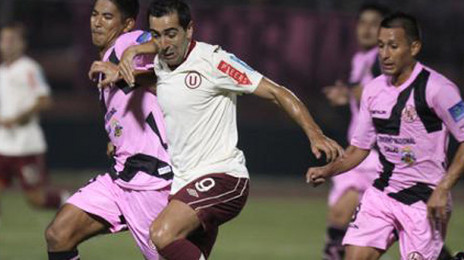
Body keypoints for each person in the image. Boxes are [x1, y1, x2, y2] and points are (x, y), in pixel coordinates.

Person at [114, 1, 343, 259]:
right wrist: (124, 66)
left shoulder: (214, 61)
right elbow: (165, 82)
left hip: (223, 178)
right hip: (184, 185)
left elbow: (277, 92)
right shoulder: (162, 64)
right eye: (156, 35)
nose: (164, 43)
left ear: (189, 30)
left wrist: (314, 133)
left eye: (171, 34)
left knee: (160, 233)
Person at [307, 12, 464, 260]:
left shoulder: (439, 89)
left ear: (414, 47)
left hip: (425, 198)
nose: (385, 54)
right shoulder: (373, 90)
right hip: (382, 193)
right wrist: (327, 170)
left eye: (393, 46)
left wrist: (443, 189)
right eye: (381, 46)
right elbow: (359, 149)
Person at [44, 0, 172, 259]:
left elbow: (168, 41)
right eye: (94, 14)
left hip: (151, 178)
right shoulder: (106, 66)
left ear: (126, 24)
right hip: (121, 175)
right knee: (59, 234)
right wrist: (117, 139)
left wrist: (134, 52)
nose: (97, 21)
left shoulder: (126, 43)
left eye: (106, 16)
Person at [0, 23, 68, 260]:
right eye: (3, 40)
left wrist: (21, 118)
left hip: (26, 146)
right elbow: (8, 107)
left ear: (22, 44)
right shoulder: (1, 70)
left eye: (11, 39)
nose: (6, 44)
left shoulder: (29, 68)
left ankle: (71, 201)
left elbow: (44, 100)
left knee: (37, 200)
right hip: (2, 145)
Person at [322, 4, 388, 259]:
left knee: (403, 228)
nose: (367, 29)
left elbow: (380, 93)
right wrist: (346, 96)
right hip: (359, 151)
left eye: (375, 23)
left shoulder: (382, 60)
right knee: (340, 216)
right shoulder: (360, 59)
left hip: (377, 155)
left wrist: (349, 93)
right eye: (363, 23)